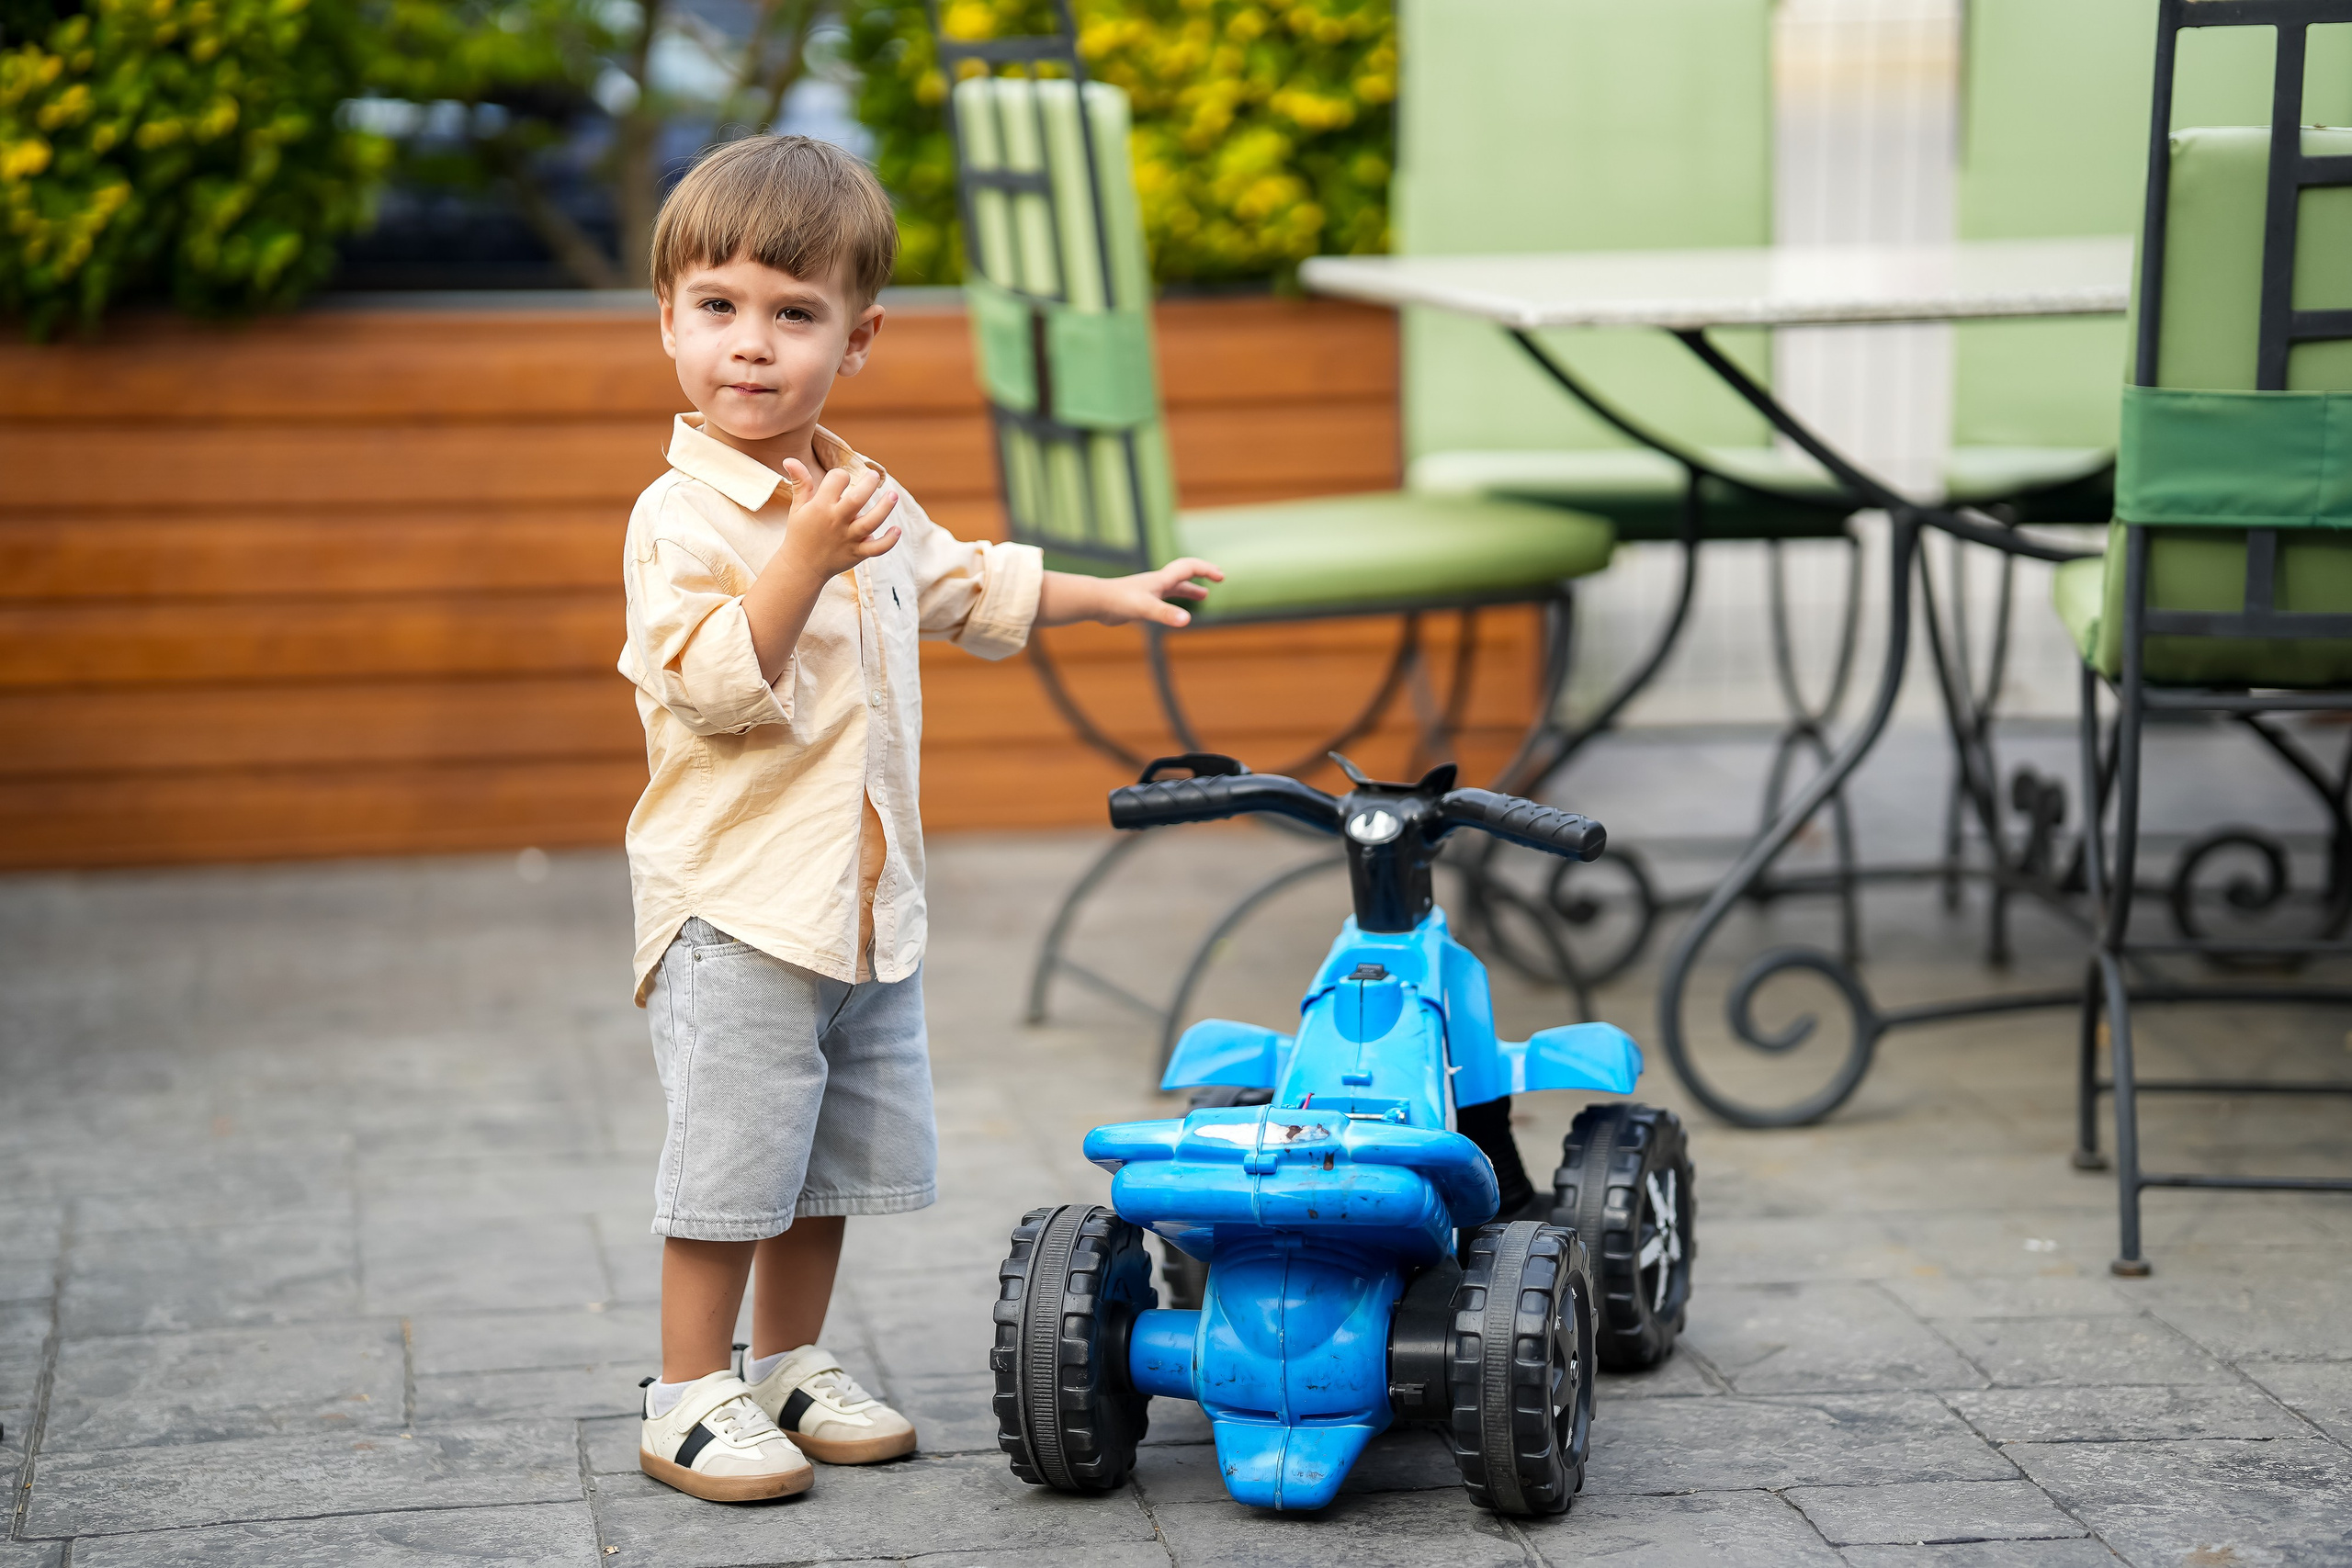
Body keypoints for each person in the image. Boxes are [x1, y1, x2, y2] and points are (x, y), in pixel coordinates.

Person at [619, 134, 1221, 1501]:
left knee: (826, 1164)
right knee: (728, 1165)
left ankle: (787, 1360)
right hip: (741, 908)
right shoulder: (680, 518)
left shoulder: (857, 492)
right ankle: (686, 1392)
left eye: (794, 314)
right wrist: (804, 557)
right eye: (717, 309)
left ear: (860, 334)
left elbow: (963, 584)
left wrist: (1114, 590)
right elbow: (716, 685)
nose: (751, 347)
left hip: (861, 908)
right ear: (667, 320)